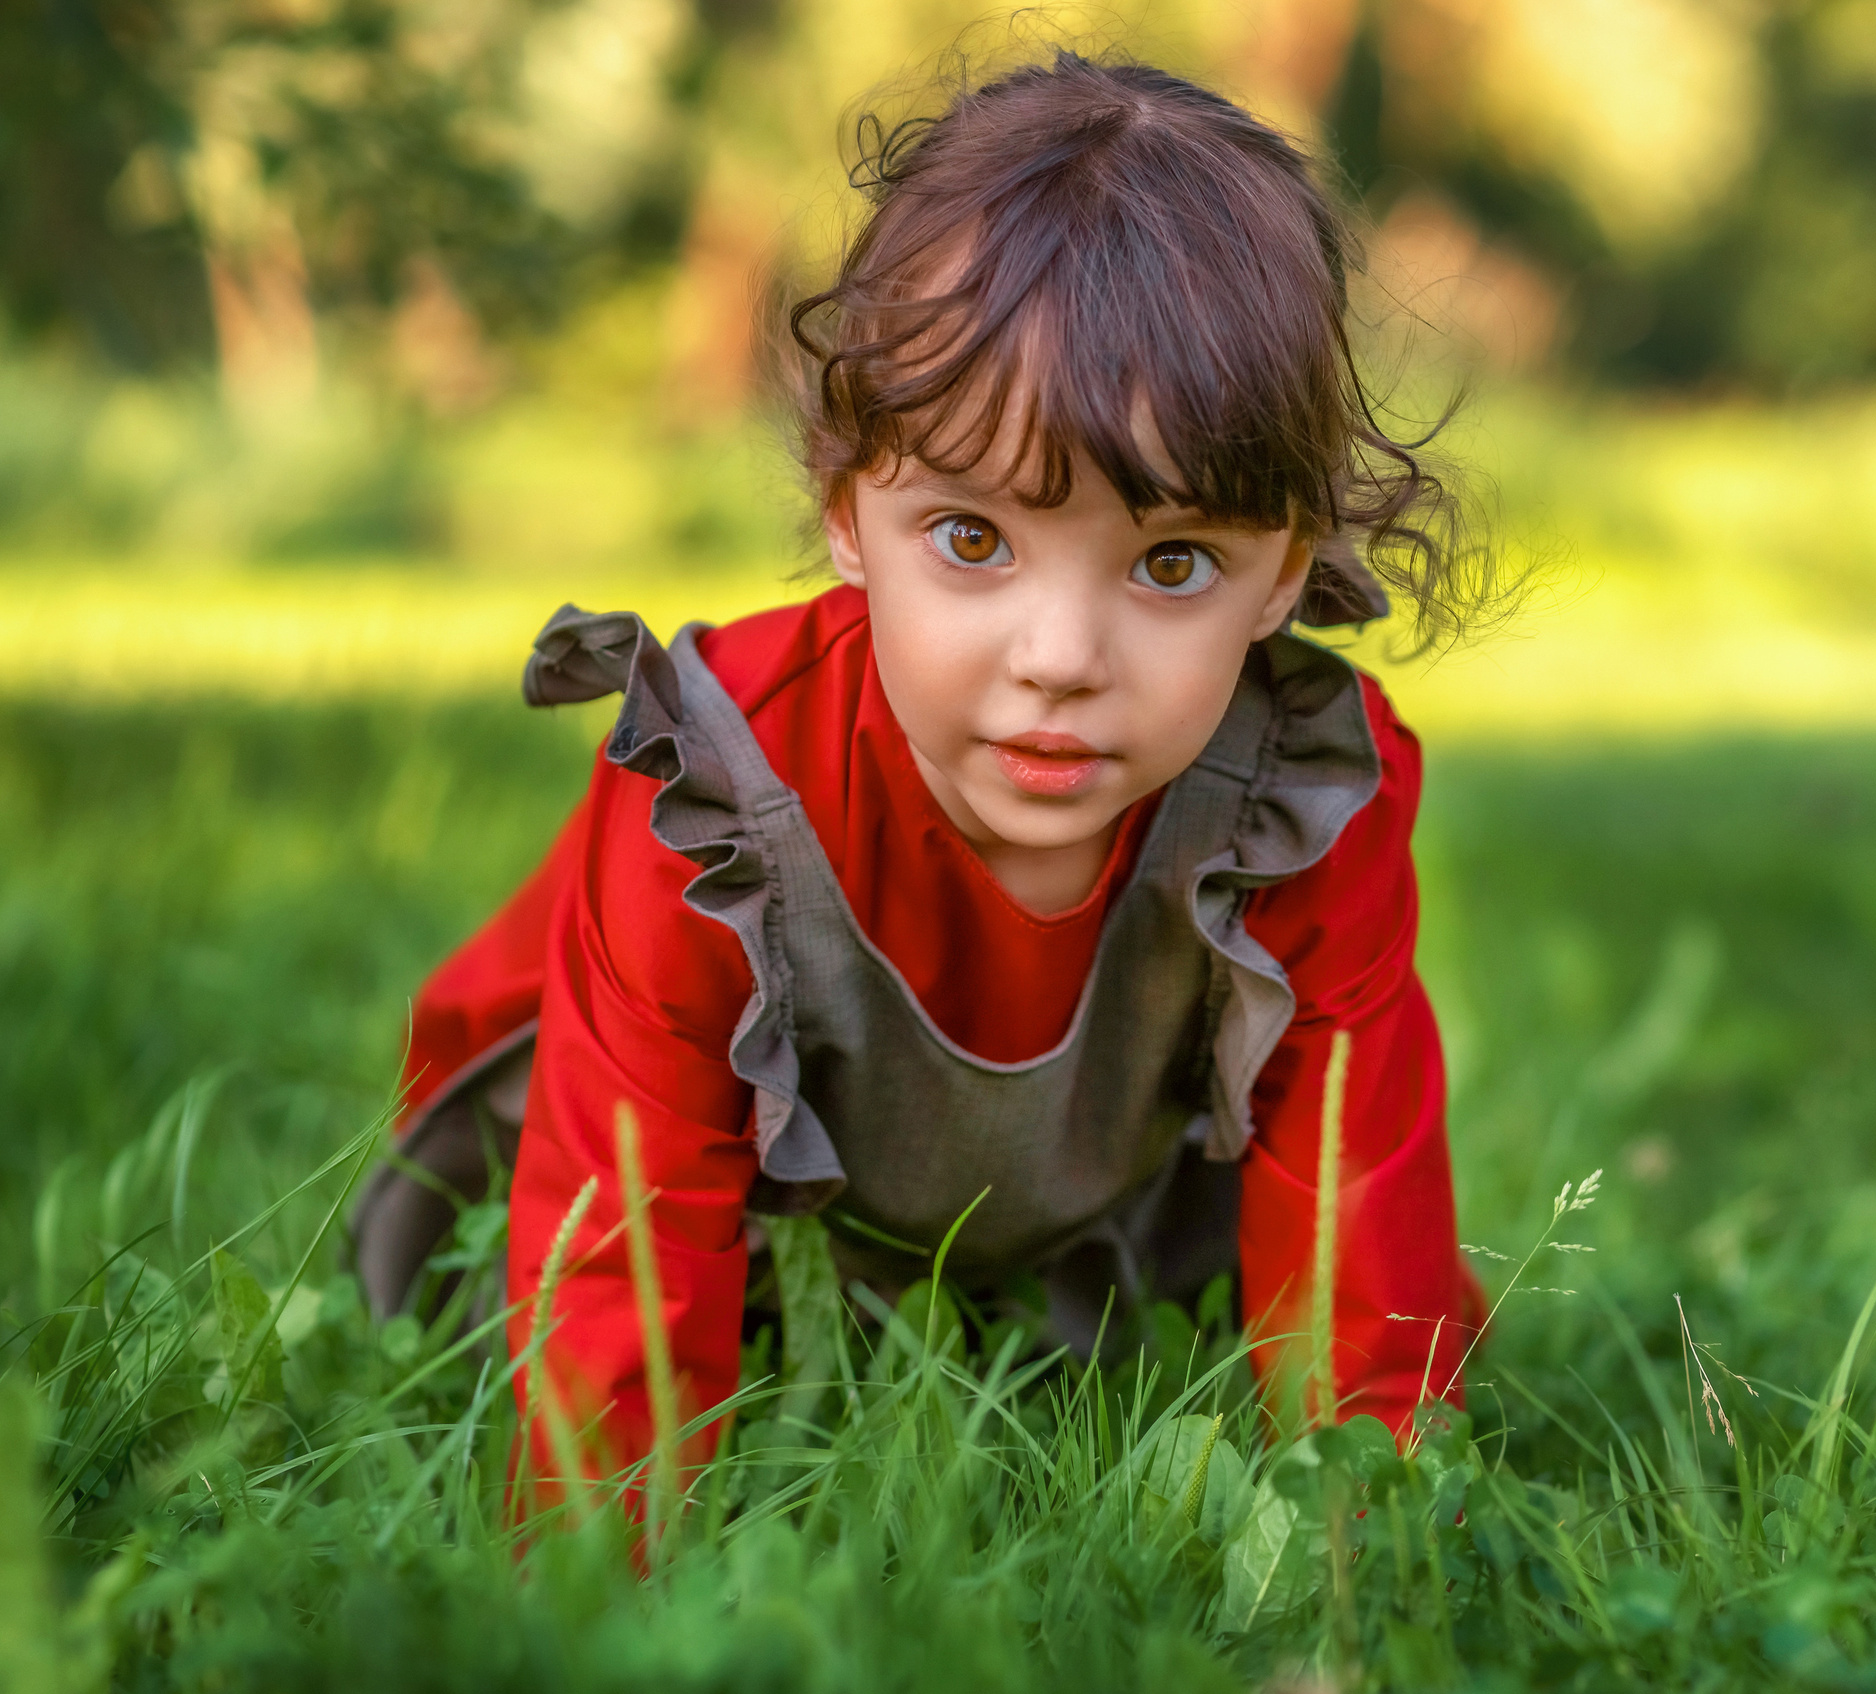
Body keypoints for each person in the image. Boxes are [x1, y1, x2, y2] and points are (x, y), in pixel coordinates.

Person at [352, 49, 1495, 1502]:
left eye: (1173, 562)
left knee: (1180, 1327)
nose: (1061, 655)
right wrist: (596, 1565)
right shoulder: (713, 790)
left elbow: (1355, 1209)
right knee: (557, 1315)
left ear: (1283, 571)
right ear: (847, 513)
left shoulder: (1304, 800)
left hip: (1042, 1217)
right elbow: (620, 1230)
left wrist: (1367, 1543)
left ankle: (1008, 1325)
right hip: (604, 1184)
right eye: (972, 540)